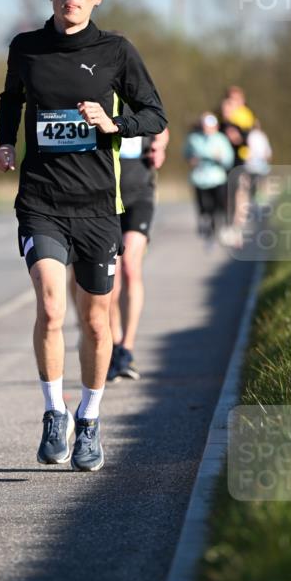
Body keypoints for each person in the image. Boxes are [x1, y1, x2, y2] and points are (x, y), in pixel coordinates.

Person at [0, 0, 167, 471]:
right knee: (51, 307)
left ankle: (89, 419)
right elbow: (11, 99)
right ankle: (55, 412)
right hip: (41, 202)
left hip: (97, 206)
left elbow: (155, 115)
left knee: (95, 320)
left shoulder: (116, 50)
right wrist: (6, 142)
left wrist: (115, 123)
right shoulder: (26, 47)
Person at [107, 117, 169, 382]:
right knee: (112, 276)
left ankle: (127, 348)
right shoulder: (99, 97)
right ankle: (114, 343)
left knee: (131, 267)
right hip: (106, 195)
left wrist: (159, 145)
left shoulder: (139, 98)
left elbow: (161, 125)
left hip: (140, 193)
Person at [183, 113, 234, 237]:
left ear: (215, 127)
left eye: (210, 126)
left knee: (219, 205)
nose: (207, 129)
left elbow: (229, 159)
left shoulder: (221, 139)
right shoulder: (194, 138)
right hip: (200, 178)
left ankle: (221, 227)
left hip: (217, 178)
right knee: (204, 207)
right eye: (205, 126)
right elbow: (186, 154)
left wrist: (220, 158)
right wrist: (191, 160)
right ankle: (207, 228)